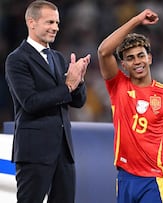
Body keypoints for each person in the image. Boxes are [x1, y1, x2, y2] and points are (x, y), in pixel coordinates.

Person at [97, 9, 163, 203]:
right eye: (130, 58)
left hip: (154, 179)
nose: (137, 62)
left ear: (150, 58)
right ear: (123, 64)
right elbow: (104, 51)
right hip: (124, 177)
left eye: (141, 55)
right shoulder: (118, 86)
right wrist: (137, 20)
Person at [5, 1, 91, 202]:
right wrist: (68, 86)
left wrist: (79, 81)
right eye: (50, 22)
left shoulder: (59, 58)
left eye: (57, 23)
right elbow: (30, 102)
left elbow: (78, 102)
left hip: (64, 152)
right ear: (31, 22)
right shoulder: (17, 59)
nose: (56, 28)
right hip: (34, 151)